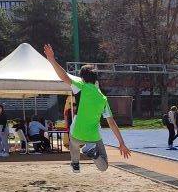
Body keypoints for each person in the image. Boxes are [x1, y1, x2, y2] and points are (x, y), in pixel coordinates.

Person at [43, 43, 131, 173]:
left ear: (82, 79)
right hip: (93, 136)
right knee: (104, 166)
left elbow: (64, 76)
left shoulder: (80, 87)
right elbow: (112, 123)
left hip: (77, 133)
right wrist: (121, 143)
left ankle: (75, 164)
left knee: (73, 142)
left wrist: (52, 60)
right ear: (95, 80)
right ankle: (93, 153)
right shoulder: (103, 98)